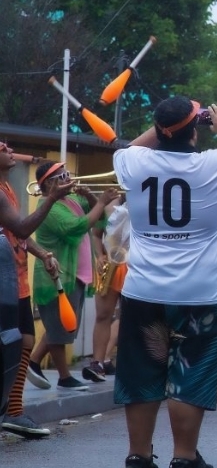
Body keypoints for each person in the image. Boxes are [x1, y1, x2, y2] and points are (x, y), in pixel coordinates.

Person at [112, 98, 217, 468]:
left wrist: (168, 121)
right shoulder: (215, 163)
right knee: (191, 374)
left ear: (159, 128)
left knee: (142, 372)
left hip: (143, 289)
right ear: (196, 130)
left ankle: (139, 455)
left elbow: (131, 146)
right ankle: (183, 458)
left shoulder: (132, 162)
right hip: (201, 294)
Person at [0, 143, 72, 438]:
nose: (7, 146)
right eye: (1, 146)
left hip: (15, 279)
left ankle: (13, 411)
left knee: (25, 340)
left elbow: (18, 233)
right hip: (5, 281)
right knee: (14, 344)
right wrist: (52, 198)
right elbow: (23, 227)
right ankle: (12, 411)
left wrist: (42, 254)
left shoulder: (6, 187)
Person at [29, 163, 119, 393]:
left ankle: (34, 362)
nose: (70, 178)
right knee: (60, 328)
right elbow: (76, 227)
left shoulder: (71, 201)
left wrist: (90, 197)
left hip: (75, 274)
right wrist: (100, 203)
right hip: (57, 275)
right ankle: (64, 376)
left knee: (61, 326)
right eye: (63, 176)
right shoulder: (48, 207)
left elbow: (100, 223)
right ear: (49, 184)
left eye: (68, 174)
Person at [85, 196, 129, 384]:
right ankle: (97, 363)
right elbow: (96, 234)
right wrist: (99, 255)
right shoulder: (110, 204)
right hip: (111, 264)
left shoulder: (150, 200)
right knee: (103, 315)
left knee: (135, 317)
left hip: (138, 267)